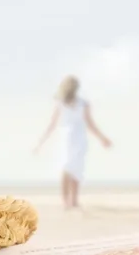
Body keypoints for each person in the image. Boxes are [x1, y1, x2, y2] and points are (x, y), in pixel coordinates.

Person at [34, 75, 111, 210]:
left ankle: (70, 201)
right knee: (71, 168)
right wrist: (41, 142)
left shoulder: (81, 103)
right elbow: (89, 124)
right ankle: (70, 201)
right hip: (72, 137)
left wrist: (102, 138)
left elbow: (88, 123)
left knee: (73, 168)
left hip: (74, 137)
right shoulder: (63, 103)